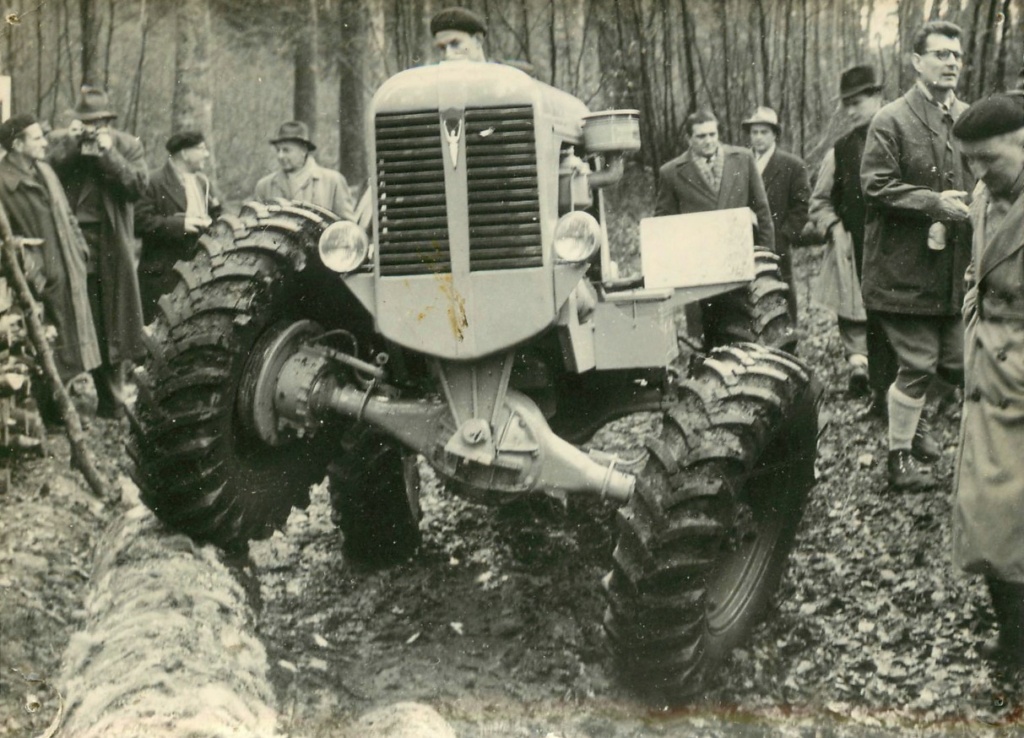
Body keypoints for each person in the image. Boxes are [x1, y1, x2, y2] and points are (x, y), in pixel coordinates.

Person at [860, 21, 973, 490]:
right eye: (941, 54)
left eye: (956, 56)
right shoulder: (891, 118)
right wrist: (933, 201)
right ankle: (899, 459)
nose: (951, 63)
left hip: (952, 273)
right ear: (916, 61)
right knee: (920, 362)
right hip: (901, 271)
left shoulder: (967, 118)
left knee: (960, 362)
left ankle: (917, 422)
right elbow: (874, 184)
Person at [951, 92, 1024, 669]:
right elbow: (980, 266)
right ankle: (1014, 634)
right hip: (988, 369)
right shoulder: (985, 193)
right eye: (968, 161)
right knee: (988, 513)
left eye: (987, 160)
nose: (976, 174)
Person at [47, 86, 147, 419]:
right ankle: (71, 400)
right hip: (72, 243)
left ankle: (112, 401)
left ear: (107, 121)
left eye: (96, 122)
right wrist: (74, 146)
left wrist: (108, 154)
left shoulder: (127, 145)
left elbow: (136, 187)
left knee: (112, 324)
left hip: (110, 244)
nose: (91, 128)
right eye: (85, 122)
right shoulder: (66, 143)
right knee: (75, 318)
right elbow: (47, 171)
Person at [809, 65, 899, 405]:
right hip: (859, 250)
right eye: (845, 104)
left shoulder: (902, 135)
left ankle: (908, 401)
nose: (850, 111)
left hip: (901, 250)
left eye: (857, 101)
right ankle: (879, 395)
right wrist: (834, 228)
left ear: (878, 97)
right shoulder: (840, 149)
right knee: (870, 323)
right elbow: (819, 203)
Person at [0, 114, 101, 400]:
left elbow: (67, 215)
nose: (44, 143)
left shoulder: (44, 170)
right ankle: (53, 413)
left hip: (68, 267)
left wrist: (80, 250)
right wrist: (36, 270)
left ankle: (69, 408)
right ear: (18, 144)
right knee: (46, 346)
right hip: (38, 282)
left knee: (72, 344)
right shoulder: (3, 182)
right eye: (37, 138)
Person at [136, 131, 222, 323]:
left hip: (198, 274)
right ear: (184, 153)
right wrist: (180, 224)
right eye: (201, 149)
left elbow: (217, 215)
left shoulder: (202, 182)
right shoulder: (153, 181)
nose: (207, 154)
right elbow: (139, 222)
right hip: (163, 277)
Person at [742, 106, 809, 320]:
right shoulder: (741, 163)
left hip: (776, 244)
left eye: (764, 132)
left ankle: (789, 340)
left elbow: (801, 207)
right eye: (754, 132)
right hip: (744, 243)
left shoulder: (792, 166)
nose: (759, 137)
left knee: (781, 291)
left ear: (775, 135)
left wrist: (784, 235)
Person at [254, 121, 354, 220]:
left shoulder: (332, 181)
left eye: (286, 150)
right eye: (278, 150)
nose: (280, 156)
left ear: (303, 150)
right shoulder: (264, 186)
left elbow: (347, 228)